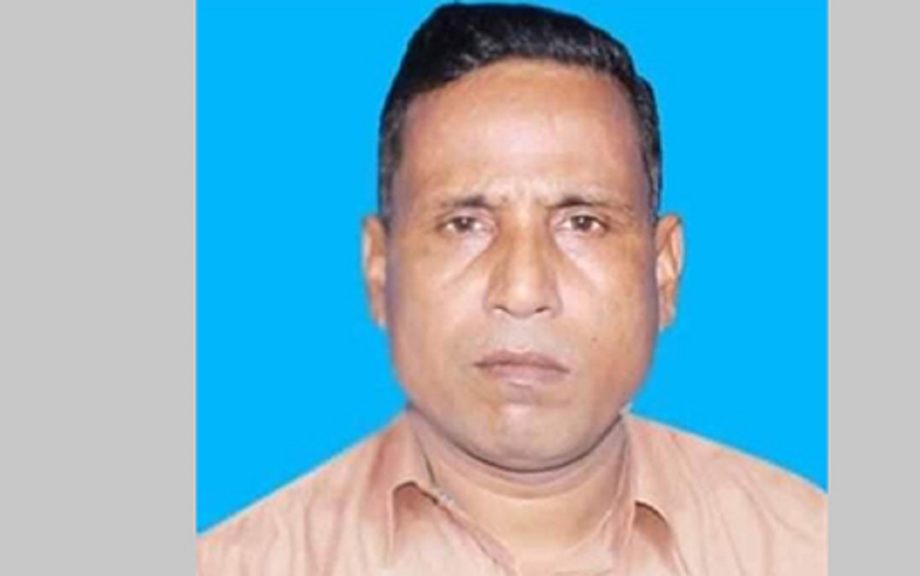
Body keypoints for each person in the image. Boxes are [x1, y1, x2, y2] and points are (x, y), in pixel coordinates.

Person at [197, 3, 827, 575]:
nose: (523, 290)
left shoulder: (811, 549)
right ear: (380, 269)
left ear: (663, 270)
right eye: (465, 224)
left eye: (583, 223)